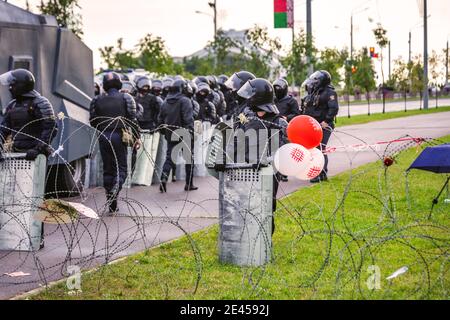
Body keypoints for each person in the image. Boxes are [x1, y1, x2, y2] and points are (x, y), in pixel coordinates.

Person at [236, 78, 288, 235]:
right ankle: (249, 238)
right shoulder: (245, 116)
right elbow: (236, 137)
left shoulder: (278, 121)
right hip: (246, 168)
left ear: (257, 97)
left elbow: (281, 148)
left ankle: (265, 240)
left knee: (266, 206)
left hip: (268, 171)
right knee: (247, 205)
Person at [90, 72, 141, 213]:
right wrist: (137, 137)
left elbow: (92, 121)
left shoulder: (96, 99)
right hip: (119, 135)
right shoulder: (126, 97)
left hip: (103, 135)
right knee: (122, 168)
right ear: (119, 83)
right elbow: (133, 119)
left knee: (108, 169)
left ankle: (112, 203)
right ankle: (115, 189)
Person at [0, 69, 58, 161]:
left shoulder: (40, 102)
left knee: (36, 176)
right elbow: (3, 130)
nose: (10, 88)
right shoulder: (12, 105)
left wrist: (38, 149)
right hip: (17, 153)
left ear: (20, 85)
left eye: (12, 85)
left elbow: (50, 128)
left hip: (36, 155)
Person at [158, 79, 197, 193]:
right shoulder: (185, 100)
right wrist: (191, 133)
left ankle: (163, 179)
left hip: (171, 134)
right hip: (184, 133)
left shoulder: (165, 101)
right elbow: (188, 119)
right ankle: (189, 184)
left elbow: (160, 119)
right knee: (189, 159)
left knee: (169, 158)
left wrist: (165, 132)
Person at [301, 70, 339, 183]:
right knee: (313, 149)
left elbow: (334, 108)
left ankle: (320, 173)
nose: (313, 82)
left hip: (324, 125)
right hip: (312, 125)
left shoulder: (329, 92)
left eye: (316, 80)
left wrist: (327, 121)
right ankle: (320, 173)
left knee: (319, 148)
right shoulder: (313, 92)